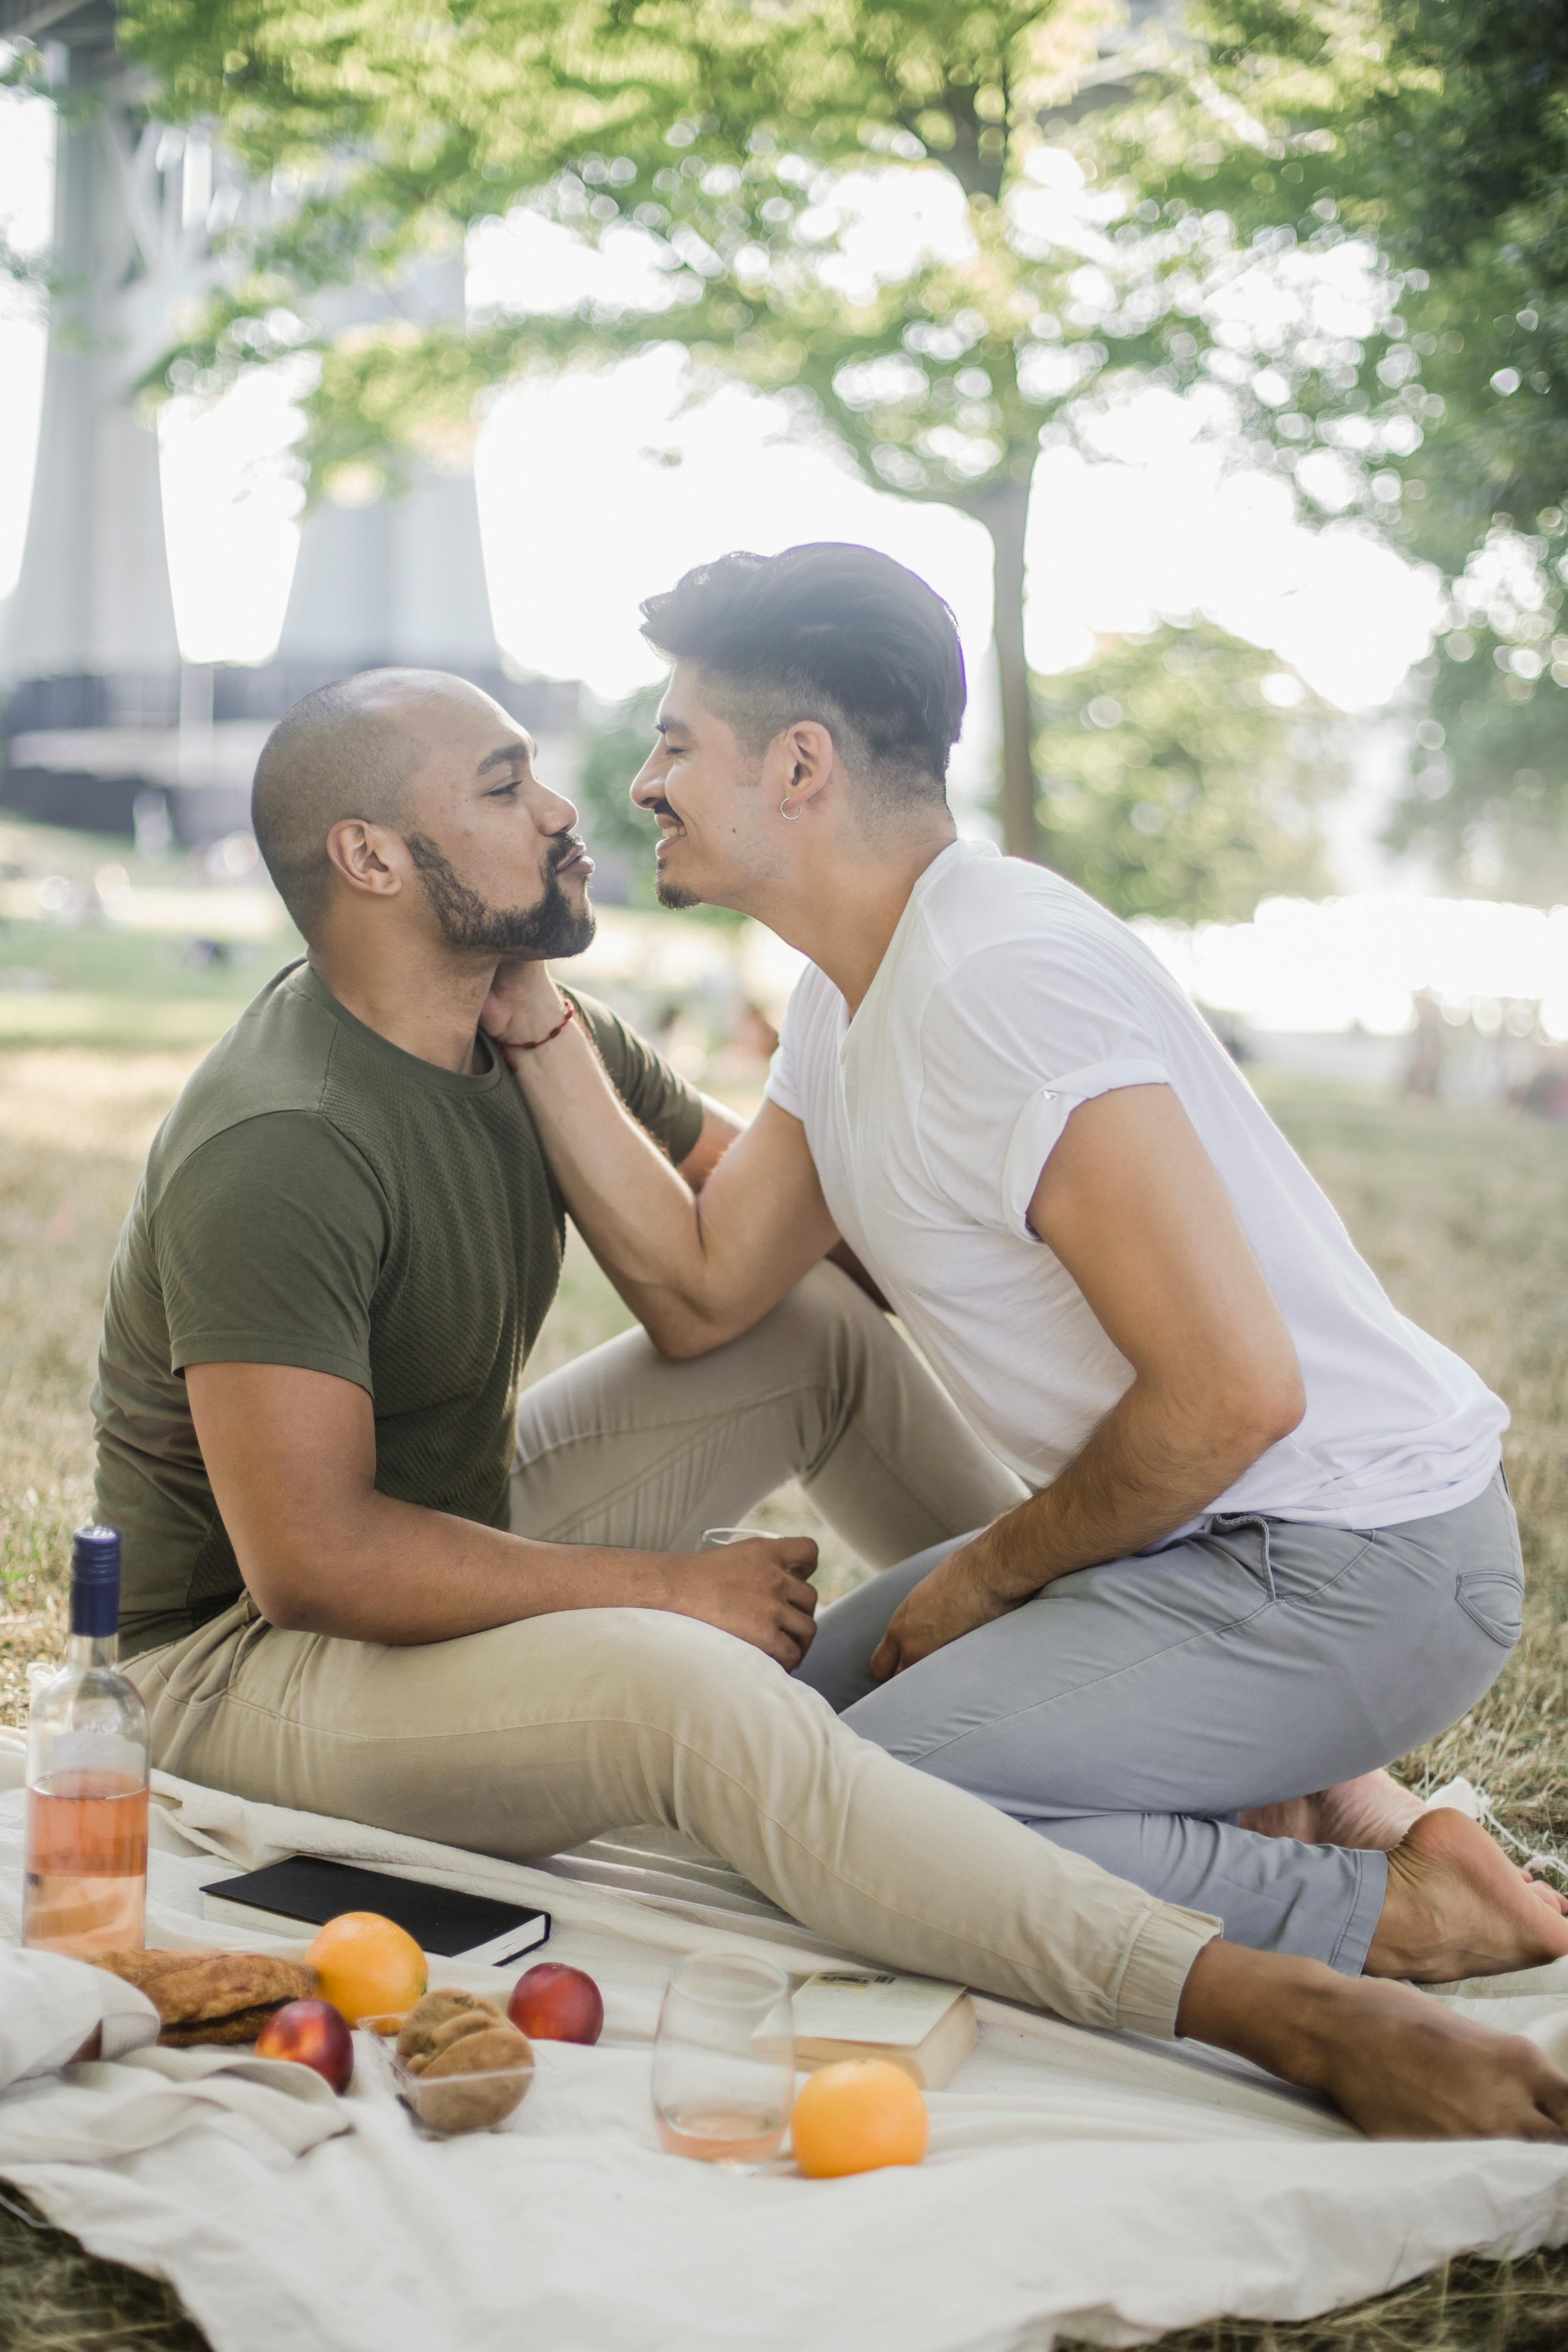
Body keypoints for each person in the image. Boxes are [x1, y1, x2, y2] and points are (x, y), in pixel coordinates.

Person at [90, 662, 1568, 2143]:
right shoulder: (283, 1141)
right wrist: (665, 1593)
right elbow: (312, 1563)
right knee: (699, 1696)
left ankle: (1167, 1692)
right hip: (246, 1660)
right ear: (373, 859)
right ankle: (1293, 1991)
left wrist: (1015, 1189)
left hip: (446, 1530)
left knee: (809, 1337)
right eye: (503, 787)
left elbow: (767, 1248)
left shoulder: (533, 1031)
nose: (569, 809)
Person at [484, 541, 1568, 2009]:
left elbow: (1235, 1394)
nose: (645, 782)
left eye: (678, 743)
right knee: (771, 1737)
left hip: (1362, 1562)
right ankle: (1276, 1785)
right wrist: (537, 1024)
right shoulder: (844, 992)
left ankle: (1399, 1915)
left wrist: (987, 1582)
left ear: (799, 765)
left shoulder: (999, 980)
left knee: (841, 1809)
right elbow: (705, 1287)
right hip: (1196, 1548)